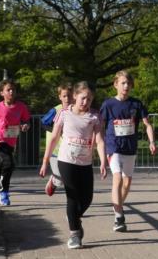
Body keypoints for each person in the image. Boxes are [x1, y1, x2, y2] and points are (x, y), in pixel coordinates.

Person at [39, 81, 107, 249]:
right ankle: (74, 234)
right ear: (75, 96)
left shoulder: (95, 116)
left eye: (90, 100)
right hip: (66, 161)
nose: (86, 102)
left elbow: (99, 140)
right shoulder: (64, 113)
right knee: (72, 196)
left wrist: (104, 161)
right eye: (83, 98)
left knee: (87, 198)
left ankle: (74, 218)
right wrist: (45, 160)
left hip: (85, 162)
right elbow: (54, 137)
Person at [99, 70, 156, 233]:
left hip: (130, 148)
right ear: (116, 84)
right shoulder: (108, 104)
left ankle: (118, 206)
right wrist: (100, 145)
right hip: (114, 146)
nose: (126, 86)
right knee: (117, 178)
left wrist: (151, 141)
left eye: (128, 83)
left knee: (127, 182)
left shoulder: (136, 104)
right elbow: (100, 127)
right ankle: (119, 217)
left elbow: (147, 124)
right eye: (123, 83)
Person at [0, 79, 31, 209]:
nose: (11, 92)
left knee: (0, 167)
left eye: (13, 89)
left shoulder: (21, 106)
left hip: (11, 141)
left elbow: (26, 121)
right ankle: (4, 191)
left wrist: (25, 126)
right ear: (2, 93)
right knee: (9, 164)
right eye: (8, 90)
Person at [40, 83, 73, 197]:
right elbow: (43, 123)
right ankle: (54, 181)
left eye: (69, 95)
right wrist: (57, 130)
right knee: (60, 179)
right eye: (64, 96)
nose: (67, 98)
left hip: (69, 150)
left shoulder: (76, 109)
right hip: (55, 149)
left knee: (70, 177)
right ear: (60, 97)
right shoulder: (55, 110)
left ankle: (73, 206)